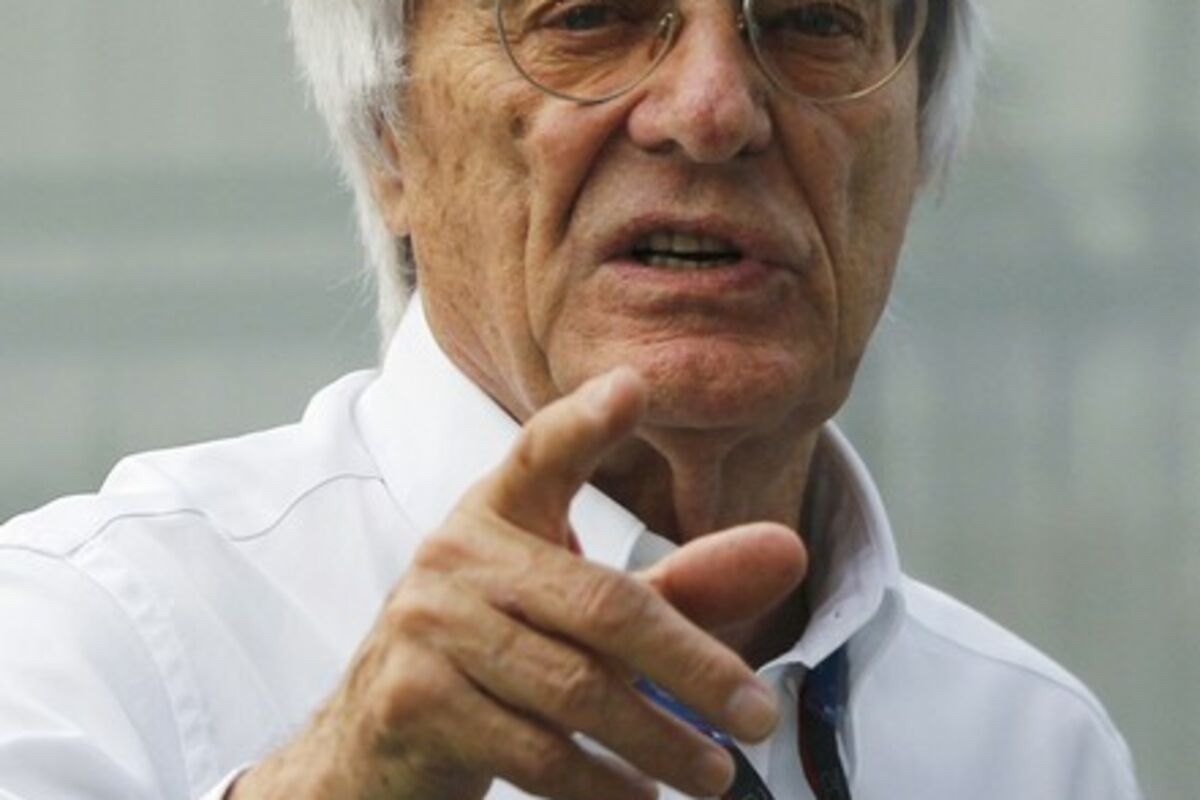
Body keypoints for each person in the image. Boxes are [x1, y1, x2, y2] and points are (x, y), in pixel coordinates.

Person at [0, 0, 1142, 797]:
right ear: (389, 133)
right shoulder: (87, 641)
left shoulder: (1034, 749)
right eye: (590, 17)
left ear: (922, 140)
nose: (712, 109)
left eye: (810, 21)